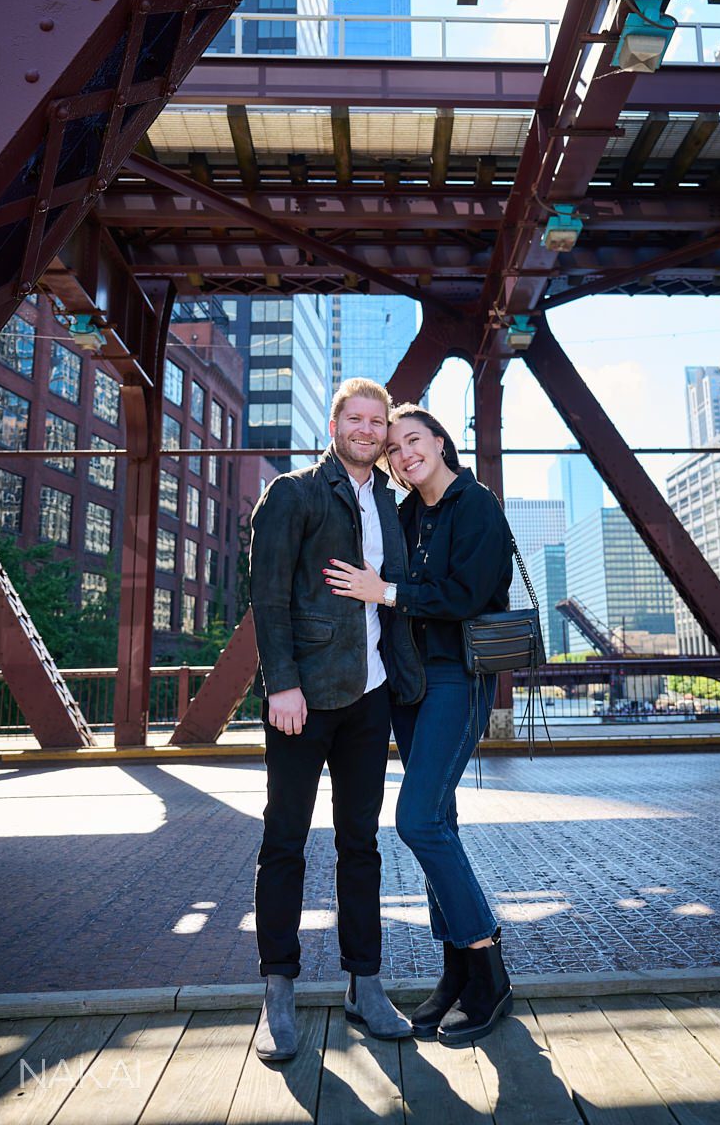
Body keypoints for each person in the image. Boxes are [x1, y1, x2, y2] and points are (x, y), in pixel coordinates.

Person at [325, 403, 514, 1046]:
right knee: (442, 821)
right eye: (394, 451)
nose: (405, 456)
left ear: (440, 442)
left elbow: (464, 595)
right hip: (410, 686)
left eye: (414, 442)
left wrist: (389, 593)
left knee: (417, 821)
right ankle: (456, 973)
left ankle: (487, 964)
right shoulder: (403, 515)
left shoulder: (476, 505)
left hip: (459, 680)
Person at [249, 378, 424, 1062]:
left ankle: (365, 984)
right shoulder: (292, 492)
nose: (366, 430)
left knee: (361, 845)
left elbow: (393, 594)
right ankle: (278, 991)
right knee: (285, 843)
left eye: (376, 422)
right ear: (333, 424)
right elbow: (266, 594)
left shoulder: (388, 498)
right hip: (304, 698)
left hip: (369, 696)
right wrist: (281, 684)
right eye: (355, 418)